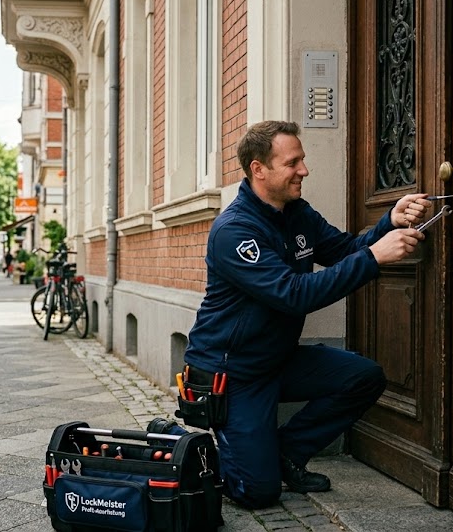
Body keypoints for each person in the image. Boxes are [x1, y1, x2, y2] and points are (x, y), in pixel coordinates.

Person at [149, 120, 430, 509]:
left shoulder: (296, 212)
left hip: (277, 361)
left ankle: (283, 454)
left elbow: (344, 250)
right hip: (233, 374)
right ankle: (186, 446)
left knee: (363, 377)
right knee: (256, 494)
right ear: (258, 169)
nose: (304, 170)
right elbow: (293, 294)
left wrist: (390, 223)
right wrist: (374, 257)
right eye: (293, 162)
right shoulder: (234, 231)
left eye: (303, 159)